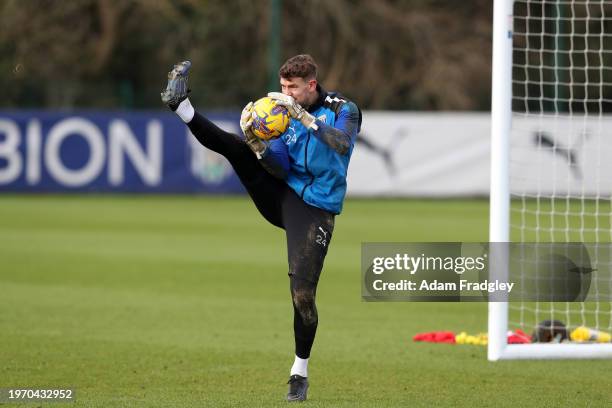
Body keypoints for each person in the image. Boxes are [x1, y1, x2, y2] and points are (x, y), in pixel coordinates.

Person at [161, 54, 361, 402]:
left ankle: (299, 371)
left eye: (293, 88)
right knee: (237, 148)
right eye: (283, 87)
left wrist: (306, 119)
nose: (286, 94)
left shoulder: (344, 109)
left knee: (303, 296)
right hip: (281, 197)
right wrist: (258, 142)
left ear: (310, 85)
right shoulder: (284, 115)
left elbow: (342, 143)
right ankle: (180, 105)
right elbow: (281, 168)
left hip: (315, 210)